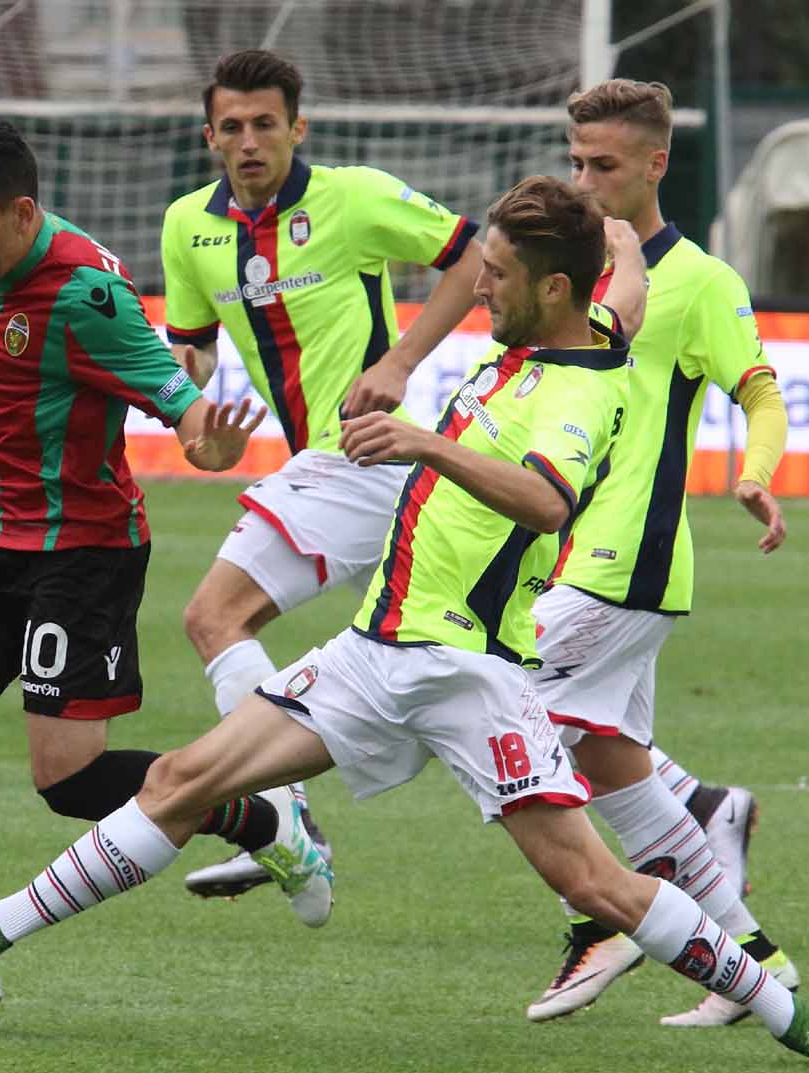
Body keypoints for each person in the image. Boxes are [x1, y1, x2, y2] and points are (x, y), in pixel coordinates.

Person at [0, 176, 809, 1070]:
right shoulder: (577, 321)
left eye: (497, 275)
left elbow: (545, 500)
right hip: (375, 652)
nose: (479, 285)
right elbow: (620, 277)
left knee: (594, 881)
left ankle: (800, 1018)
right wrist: (613, 230)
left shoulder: (579, 391)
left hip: (468, 672)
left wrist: (423, 442)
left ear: (552, 289)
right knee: (177, 781)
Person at [0, 117, 273, 1031]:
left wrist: (215, 446)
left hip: (80, 555)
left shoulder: (87, 294)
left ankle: (262, 818)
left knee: (69, 784)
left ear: (22, 212)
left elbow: (183, 408)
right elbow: (6, 346)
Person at [160, 49, 486, 898]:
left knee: (213, 616)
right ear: (210, 138)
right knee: (474, 680)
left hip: (368, 455)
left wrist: (403, 361)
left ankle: (284, 812)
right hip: (331, 471)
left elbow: (473, 259)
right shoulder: (188, 226)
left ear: (297, 128)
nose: (249, 140)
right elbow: (188, 353)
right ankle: (685, 809)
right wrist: (203, 436)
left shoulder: (355, 197)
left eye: (266, 124)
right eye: (231, 127)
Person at [521, 79, 802, 1028]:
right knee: (612, 764)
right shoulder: (570, 273)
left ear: (656, 163)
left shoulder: (701, 284)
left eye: (603, 164)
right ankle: (758, 967)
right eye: (576, 160)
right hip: (569, 555)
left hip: (626, 559)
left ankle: (599, 918)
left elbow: (760, 393)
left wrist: (757, 473)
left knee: (504, 716)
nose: (585, 179)